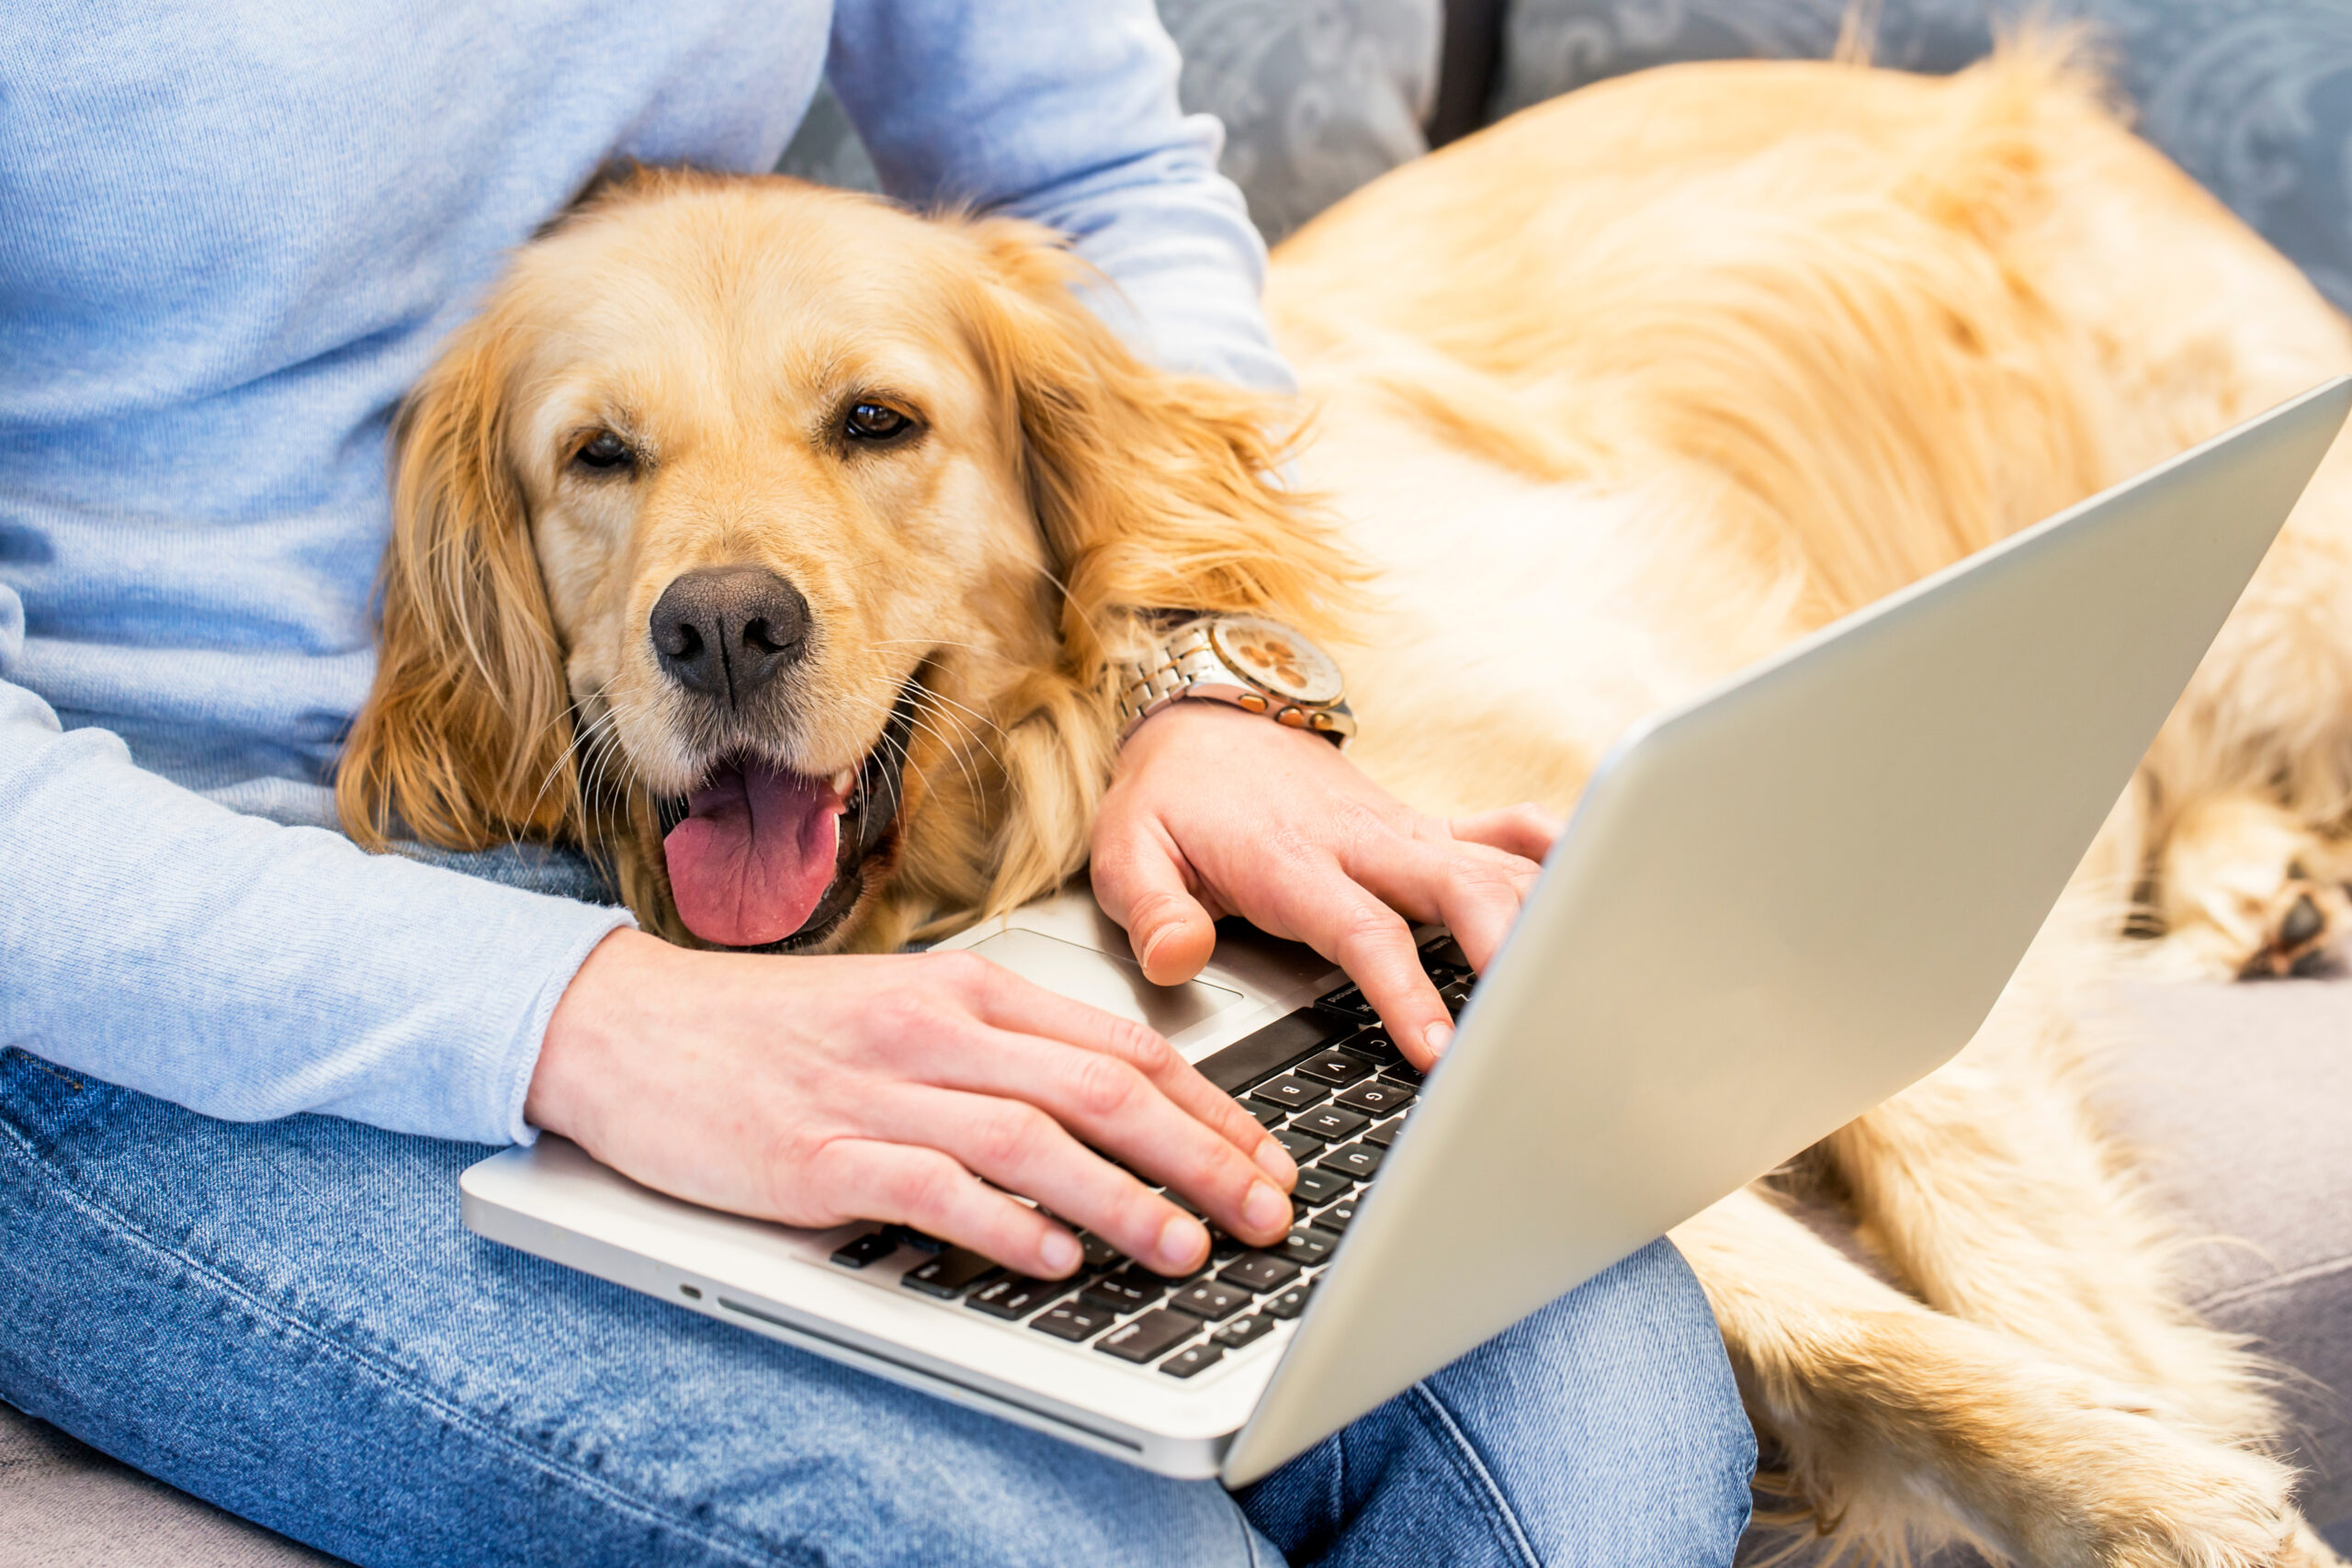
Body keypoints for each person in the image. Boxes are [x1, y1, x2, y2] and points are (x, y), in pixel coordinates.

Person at [0, 3, 1758, 1562]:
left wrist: (1196, 662)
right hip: (141, 963)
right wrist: (586, 1017)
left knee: (1598, 1406)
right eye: (602, 455)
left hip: (669, 830)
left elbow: (1094, 171)